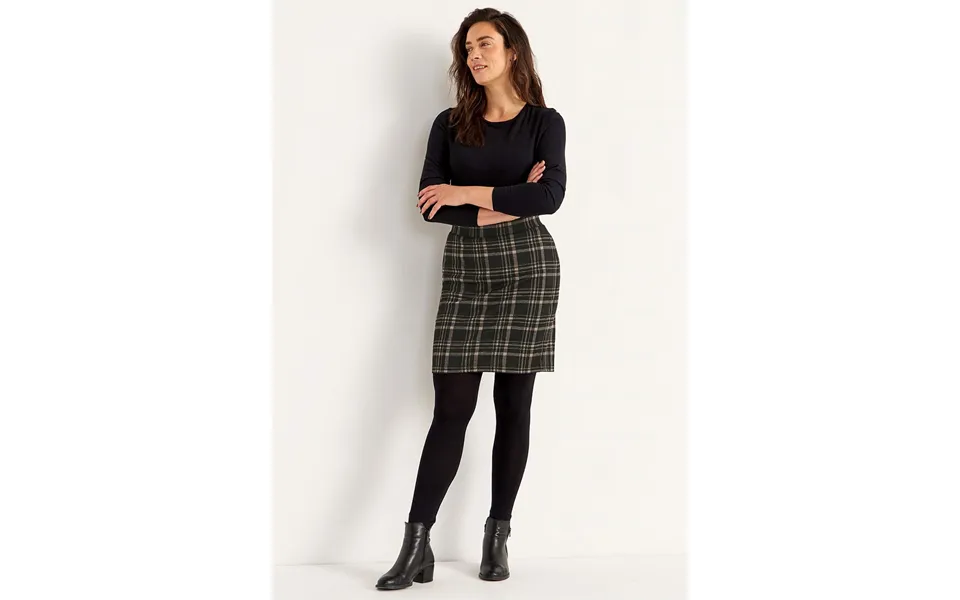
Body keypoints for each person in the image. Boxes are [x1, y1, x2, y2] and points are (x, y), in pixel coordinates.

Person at [376, 7, 566, 591]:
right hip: (466, 269)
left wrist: (465, 192)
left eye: (484, 44)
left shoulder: (544, 122)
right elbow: (430, 204)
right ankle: (417, 544)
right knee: (451, 411)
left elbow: (550, 198)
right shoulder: (449, 124)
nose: (473, 55)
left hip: (529, 268)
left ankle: (497, 535)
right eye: (467, 48)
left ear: (513, 51)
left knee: (514, 408)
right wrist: (503, 199)